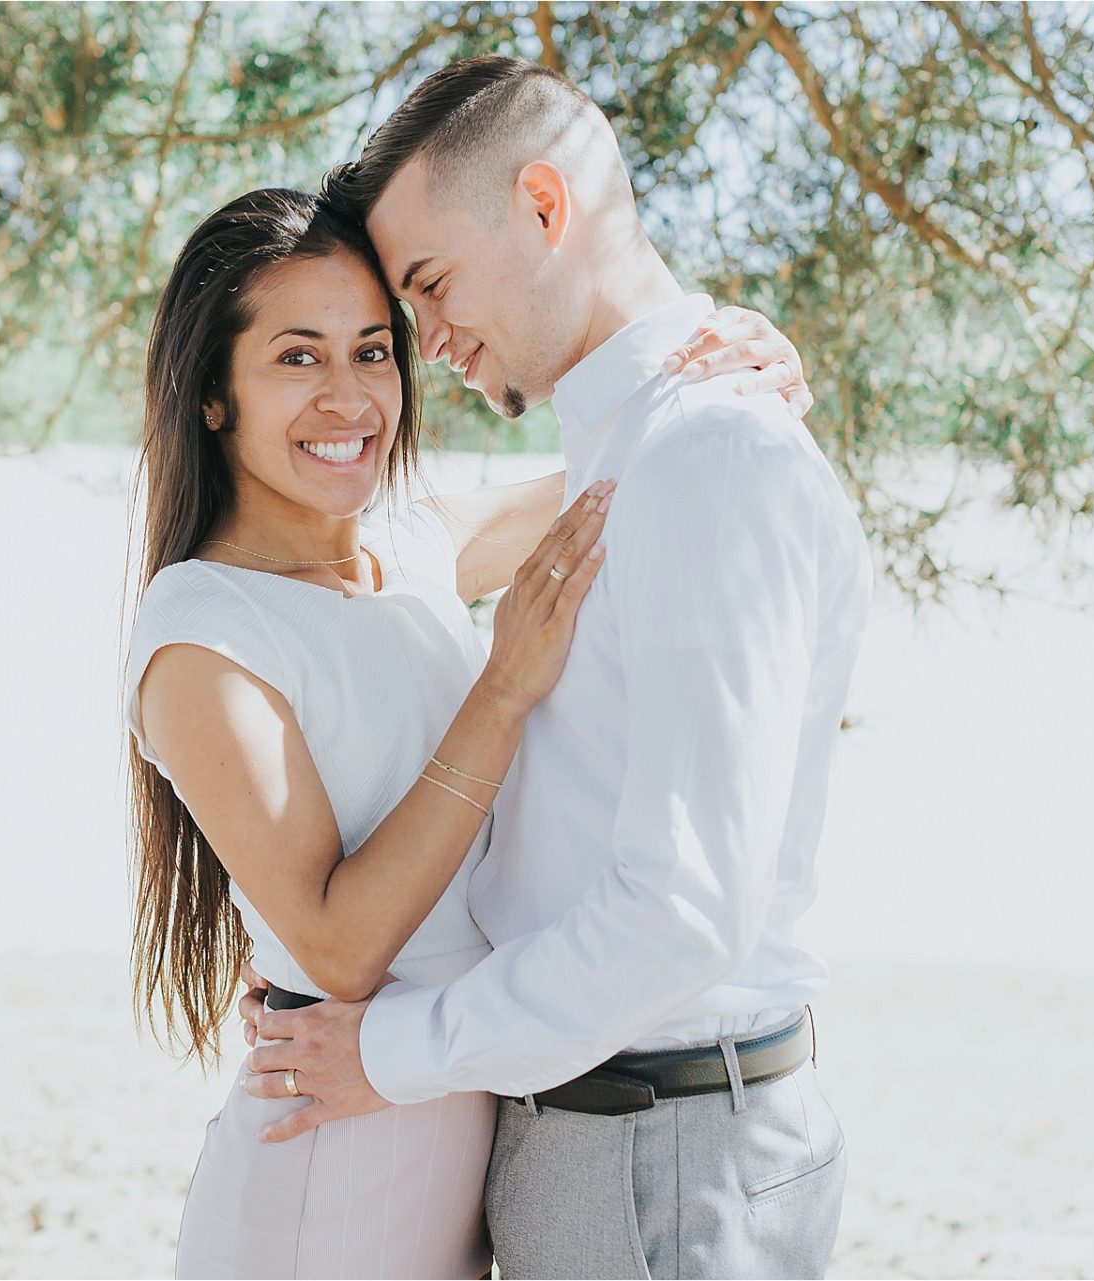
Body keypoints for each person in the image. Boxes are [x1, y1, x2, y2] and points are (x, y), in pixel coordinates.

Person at [235, 57, 874, 1280]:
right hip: (598, 1133)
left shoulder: (709, 459)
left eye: (429, 286)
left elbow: (685, 908)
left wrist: (395, 1049)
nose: (426, 341)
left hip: (659, 1150)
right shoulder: (629, 454)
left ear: (542, 204)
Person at [120, 185, 814, 1277]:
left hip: (455, 1116)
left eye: (373, 352)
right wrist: (501, 695)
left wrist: (730, 365)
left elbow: (627, 474)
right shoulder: (203, 635)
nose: (350, 398)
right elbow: (341, 947)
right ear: (214, 393)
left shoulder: (408, 541)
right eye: (297, 359)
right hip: (335, 1153)